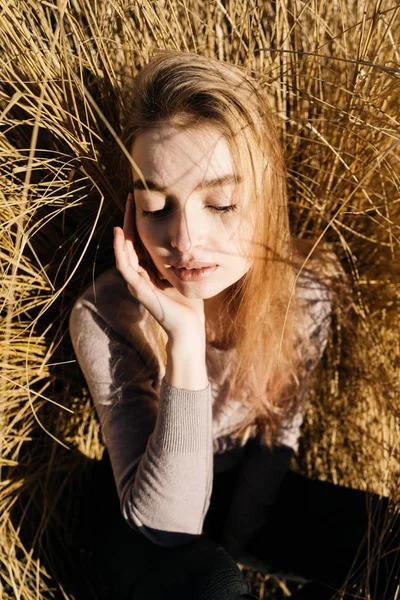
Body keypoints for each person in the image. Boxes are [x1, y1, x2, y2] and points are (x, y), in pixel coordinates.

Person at [69, 50, 399, 600]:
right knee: (214, 585)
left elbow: (281, 432)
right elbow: (164, 527)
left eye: (220, 203)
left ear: (265, 196)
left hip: (245, 489)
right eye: (156, 206)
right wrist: (185, 340)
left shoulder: (308, 288)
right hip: (146, 515)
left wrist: (241, 536)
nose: (184, 241)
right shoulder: (104, 316)